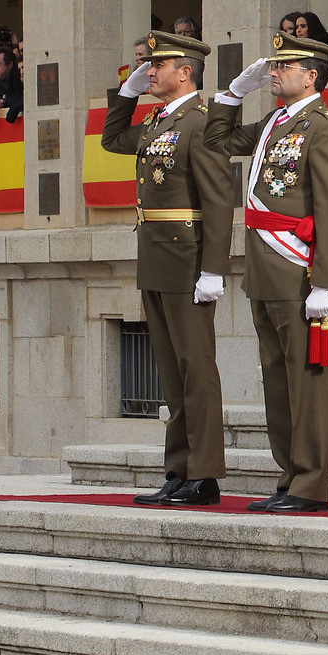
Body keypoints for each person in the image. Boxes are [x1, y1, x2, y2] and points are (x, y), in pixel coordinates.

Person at [205, 33, 328, 513]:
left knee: (305, 381)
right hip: (264, 269)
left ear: (311, 76)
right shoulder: (274, 119)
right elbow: (217, 140)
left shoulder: (324, 126)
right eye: (273, 66)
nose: (273, 73)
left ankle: (310, 483)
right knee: (276, 379)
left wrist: (326, 282)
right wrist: (231, 95)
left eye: (283, 66)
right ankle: (289, 474)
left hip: (297, 270)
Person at [104, 31, 233, 507]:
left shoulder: (202, 121)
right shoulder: (159, 120)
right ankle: (178, 470)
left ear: (186, 72)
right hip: (156, 255)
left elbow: (218, 200)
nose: (150, 71)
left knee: (196, 368)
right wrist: (125, 94)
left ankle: (205, 474)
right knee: (171, 373)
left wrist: (214, 268)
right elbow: (113, 138)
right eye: (148, 65)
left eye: (158, 65)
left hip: (187, 257)